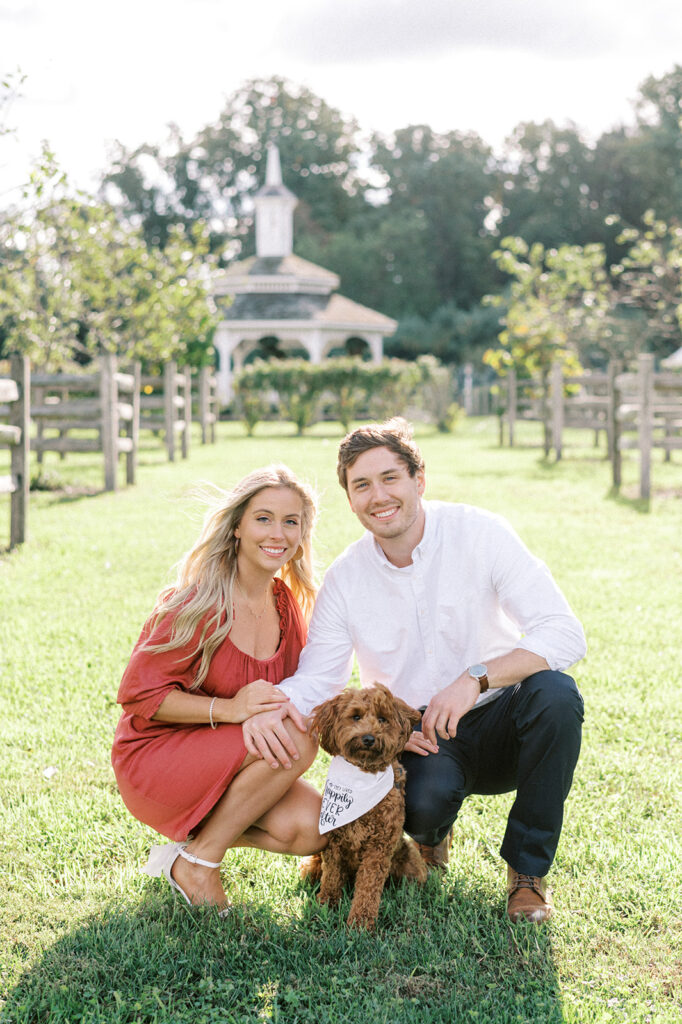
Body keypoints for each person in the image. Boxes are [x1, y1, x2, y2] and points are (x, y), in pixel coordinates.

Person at [243, 419, 586, 923]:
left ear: (418, 480)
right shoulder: (345, 579)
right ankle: (432, 835)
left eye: (390, 478)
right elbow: (320, 679)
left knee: (556, 696)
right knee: (423, 807)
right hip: (419, 735)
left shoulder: (480, 532)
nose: (378, 496)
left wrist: (476, 677)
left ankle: (527, 874)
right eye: (361, 485)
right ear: (350, 498)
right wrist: (265, 710)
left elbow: (564, 632)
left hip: (502, 712)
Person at [111, 465, 325, 914]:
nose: (277, 533)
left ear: (302, 534)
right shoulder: (197, 602)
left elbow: (301, 691)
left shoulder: (286, 605)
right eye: (263, 518)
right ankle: (200, 864)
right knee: (297, 736)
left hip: (227, 755)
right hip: (157, 756)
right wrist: (232, 709)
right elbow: (139, 695)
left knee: (314, 829)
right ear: (237, 528)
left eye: (291, 522)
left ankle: (190, 851)